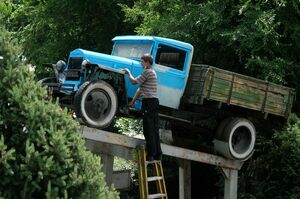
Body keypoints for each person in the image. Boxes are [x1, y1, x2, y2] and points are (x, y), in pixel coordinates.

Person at [123, 54, 162, 161]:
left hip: (149, 102)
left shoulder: (147, 72)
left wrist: (128, 72)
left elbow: (134, 82)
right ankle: (158, 154)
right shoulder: (152, 72)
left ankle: (150, 155)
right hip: (153, 102)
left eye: (142, 61)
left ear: (147, 62)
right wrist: (132, 102)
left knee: (148, 129)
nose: (141, 63)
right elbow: (140, 90)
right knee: (154, 129)